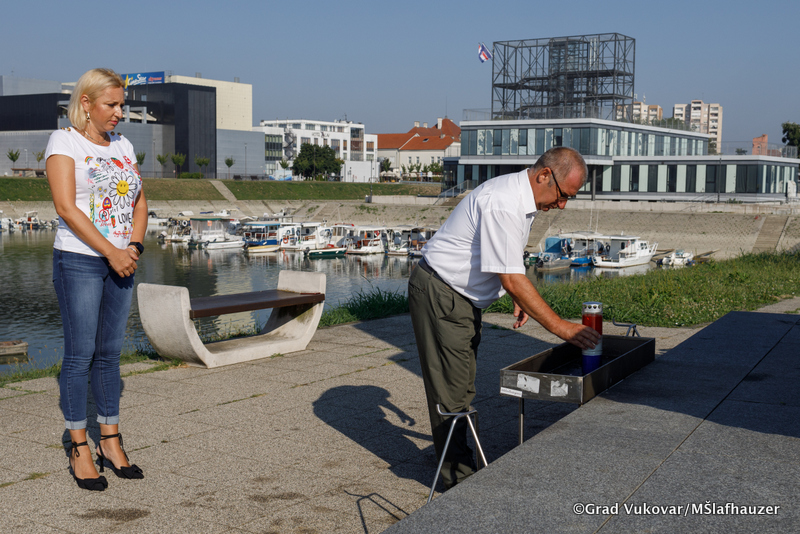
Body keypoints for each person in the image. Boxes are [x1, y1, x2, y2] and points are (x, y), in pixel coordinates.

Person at [408, 146, 601, 490]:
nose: (562, 205)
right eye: (563, 196)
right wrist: (562, 328)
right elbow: (512, 278)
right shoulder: (504, 202)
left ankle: (455, 460)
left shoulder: (522, 198)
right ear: (544, 175)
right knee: (452, 392)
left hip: (458, 296)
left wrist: (518, 297)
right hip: (443, 292)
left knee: (460, 384)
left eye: (568, 199)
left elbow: (507, 261)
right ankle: (458, 482)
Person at [46, 68, 147, 491]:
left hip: (122, 261)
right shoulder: (64, 141)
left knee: (109, 354)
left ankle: (110, 440)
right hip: (80, 260)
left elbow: (139, 201)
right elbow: (66, 208)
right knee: (80, 355)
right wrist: (111, 252)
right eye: (112, 104)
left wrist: (133, 247)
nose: (120, 112)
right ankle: (79, 447)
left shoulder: (123, 145)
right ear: (86, 103)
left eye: (122, 104)